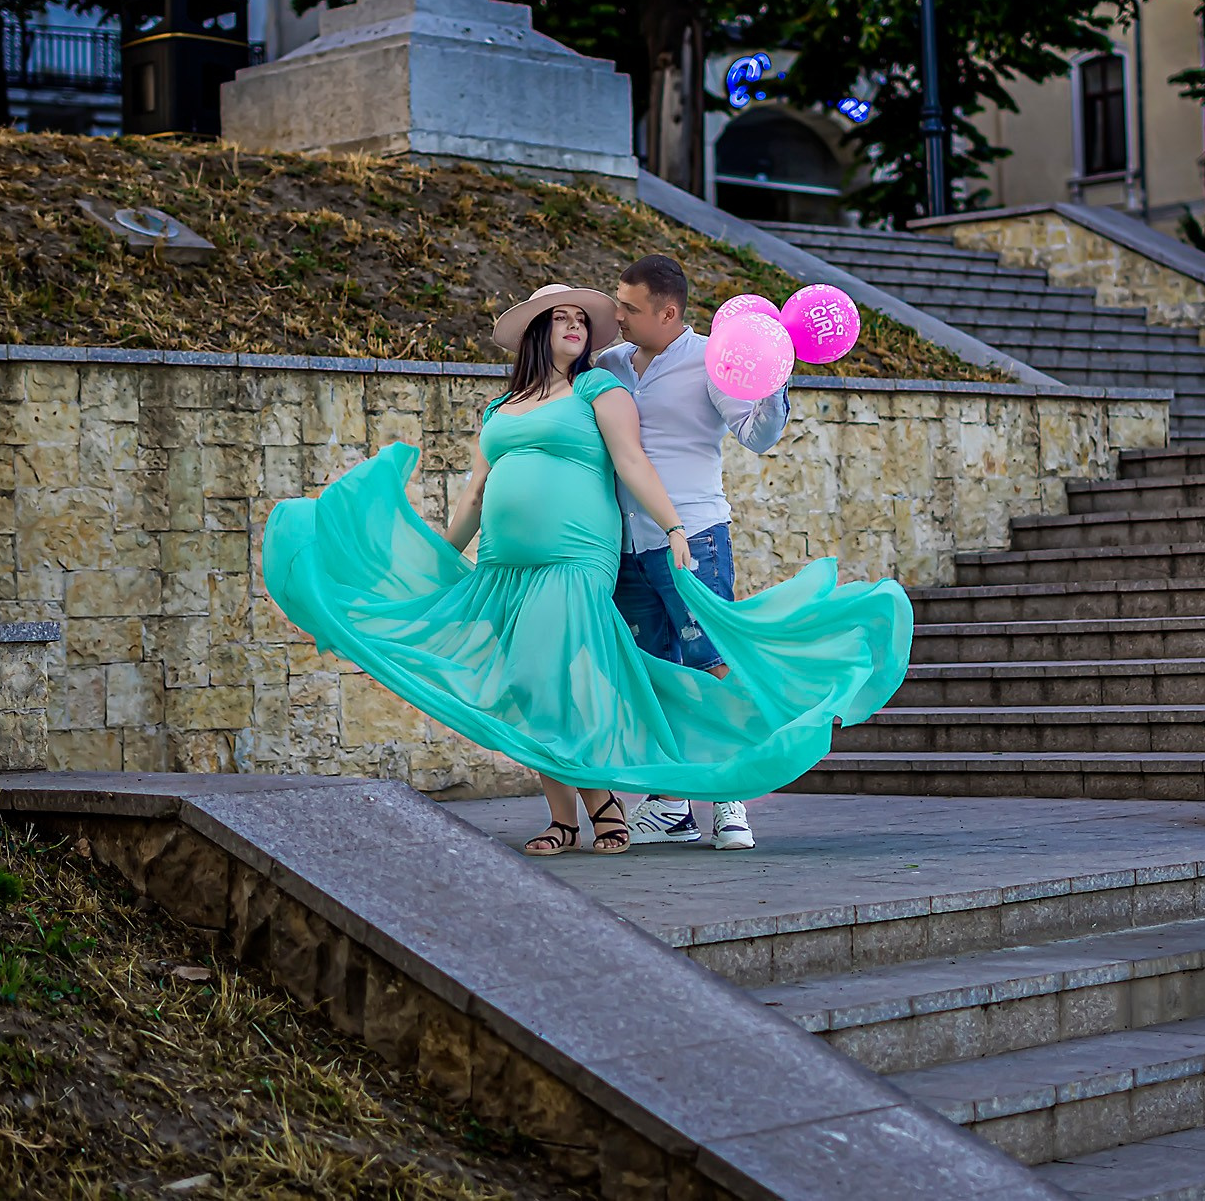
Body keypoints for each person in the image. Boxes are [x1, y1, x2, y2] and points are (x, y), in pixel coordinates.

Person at [260, 282, 911, 858]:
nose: (576, 326)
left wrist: (677, 525)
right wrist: (442, 553)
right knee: (528, 685)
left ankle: (622, 807)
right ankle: (565, 820)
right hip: (502, 564)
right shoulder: (502, 407)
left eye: (583, 318)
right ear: (538, 330)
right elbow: (476, 493)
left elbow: (632, 463)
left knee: (561, 672)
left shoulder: (601, 387)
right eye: (561, 317)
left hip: (576, 560)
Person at [601, 256, 790, 851]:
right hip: (627, 542)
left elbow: (756, 436)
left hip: (695, 535)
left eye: (630, 308)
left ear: (669, 312)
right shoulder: (610, 363)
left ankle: (731, 799)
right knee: (652, 667)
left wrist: (773, 382)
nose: (618, 315)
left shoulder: (713, 360)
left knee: (711, 660)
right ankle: (672, 804)